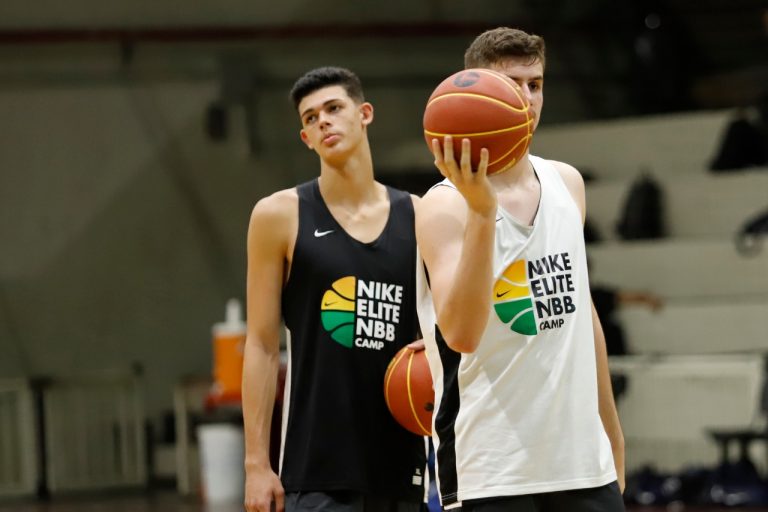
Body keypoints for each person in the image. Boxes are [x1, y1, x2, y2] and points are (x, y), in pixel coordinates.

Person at [415, 28, 626, 511]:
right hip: (492, 467)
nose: (527, 99)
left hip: (581, 461)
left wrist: (612, 433)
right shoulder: (443, 206)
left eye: (536, 84)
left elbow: (582, 317)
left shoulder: (567, 183)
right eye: (512, 85)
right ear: (476, 91)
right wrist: (482, 212)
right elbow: (462, 334)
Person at [242, 66, 426, 512]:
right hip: (316, 470)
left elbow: (451, 329)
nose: (322, 121)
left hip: (400, 466)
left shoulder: (420, 215)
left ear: (364, 114)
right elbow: (262, 344)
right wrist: (256, 465)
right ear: (305, 138)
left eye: (333, 108)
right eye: (310, 118)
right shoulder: (278, 216)